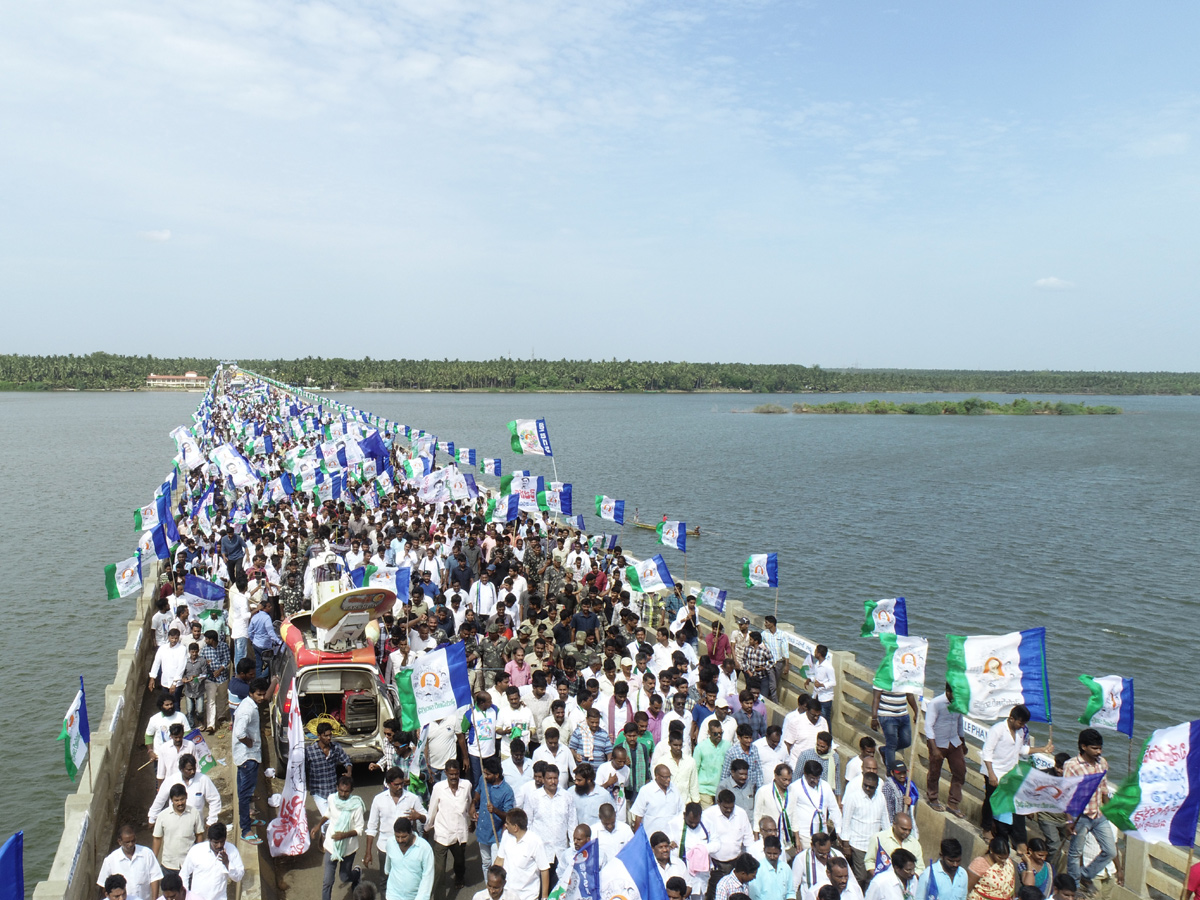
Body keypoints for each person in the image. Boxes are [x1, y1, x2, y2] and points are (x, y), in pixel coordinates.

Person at [981, 705, 1053, 846]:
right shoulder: (997, 730)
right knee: (991, 799)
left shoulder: (1020, 732)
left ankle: (1010, 833)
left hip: (1009, 772)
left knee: (1012, 801)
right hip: (994, 770)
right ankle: (986, 828)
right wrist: (991, 774)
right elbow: (987, 752)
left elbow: (1021, 749)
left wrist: (1042, 749)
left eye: (1024, 723)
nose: (1022, 726)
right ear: (1011, 718)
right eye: (1020, 722)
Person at [1063, 729, 1114, 896]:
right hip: (1081, 816)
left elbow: (1104, 790)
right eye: (1095, 748)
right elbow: (1066, 796)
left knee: (1110, 851)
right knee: (1075, 853)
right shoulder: (1072, 766)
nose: (1098, 752)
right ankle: (1074, 887)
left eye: (1100, 748)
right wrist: (1069, 821)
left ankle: (1086, 875)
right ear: (1083, 747)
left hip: (1098, 815)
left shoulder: (1102, 763)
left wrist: (1112, 811)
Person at [364, 767, 428, 874]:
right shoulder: (378, 800)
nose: (400, 787)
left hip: (407, 848)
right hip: (385, 848)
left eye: (402, 784)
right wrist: (368, 852)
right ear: (388, 784)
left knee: (407, 878)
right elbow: (371, 828)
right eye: (396, 784)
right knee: (385, 879)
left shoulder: (412, 798)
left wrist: (418, 816)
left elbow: (427, 818)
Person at [312, 775, 365, 900]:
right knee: (327, 881)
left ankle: (356, 874)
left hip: (348, 849)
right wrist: (318, 825)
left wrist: (344, 835)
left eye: (346, 791)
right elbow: (328, 814)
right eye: (340, 790)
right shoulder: (331, 799)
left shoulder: (356, 806)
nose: (343, 794)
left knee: (344, 877)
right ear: (337, 788)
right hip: (331, 847)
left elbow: (359, 829)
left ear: (351, 791)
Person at [427, 760, 473, 900]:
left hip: (460, 833)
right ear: (445, 773)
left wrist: (472, 820)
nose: (454, 777)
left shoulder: (466, 786)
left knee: (459, 862)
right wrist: (427, 828)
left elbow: (469, 804)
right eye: (451, 774)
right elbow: (432, 810)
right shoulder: (438, 788)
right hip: (442, 834)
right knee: (440, 870)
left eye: (456, 774)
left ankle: (459, 877)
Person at [232, 678, 268, 844]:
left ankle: (248, 820)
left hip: (246, 756)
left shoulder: (249, 705)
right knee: (245, 794)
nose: (261, 698)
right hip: (248, 757)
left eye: (263, 694)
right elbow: (240, 733)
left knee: (244, 793)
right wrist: (250, 744)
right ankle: (245, 830)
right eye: (258, 695)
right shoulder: (248, 710)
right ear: (251, 693)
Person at [840, 772, 889, 886]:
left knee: (871, 878)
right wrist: (846, 845)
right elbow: (846, 822)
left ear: (876, 786)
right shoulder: (853, 797)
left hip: (874, 845)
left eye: (871, 787)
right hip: (858, 845)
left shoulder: (881, 797)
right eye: (865, 785)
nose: (867, 788)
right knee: (860, 877)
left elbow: (885, 820)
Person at [924, 683, 967, 816]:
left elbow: (960, 723)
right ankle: (933, 798)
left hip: (954, 741)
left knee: (960, 771)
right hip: (938, 742)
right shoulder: (935, 703)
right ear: (948, 691)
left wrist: (963, 742)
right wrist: (934, 748)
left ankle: (953, 802)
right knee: (934, 771)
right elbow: (928, 726)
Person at [703, 792, 754, 898]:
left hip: (735, 864)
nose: (729, 810)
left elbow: (748, 839)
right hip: (716, 866)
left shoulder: (741, 813)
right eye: (725, 807)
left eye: (731, 807)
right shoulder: (708, 815)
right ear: (718, 803)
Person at [148, 754, 222, 827]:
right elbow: (160, 800)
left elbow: (215, 799)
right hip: (175, 825)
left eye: (194, 769)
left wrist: (211, 821)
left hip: (196, 826)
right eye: (189, 770)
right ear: (181, 769)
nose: (192, 772)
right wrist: (152, 818)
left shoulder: (203, 780)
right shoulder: (171, 780)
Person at [787, 760, 843, 851]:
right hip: (804, 834)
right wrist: (796, 837)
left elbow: (834, 809)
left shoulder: (825, 786)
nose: (816, 781)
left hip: (822, 833)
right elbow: (791, 813)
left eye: (818, 778)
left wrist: (838, 830)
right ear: (805, 774)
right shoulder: (794, 787)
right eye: (812, 778)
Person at [496, 809, 551, 900]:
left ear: (515, 827)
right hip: (506, 894)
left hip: (528, 896)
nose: (505, 825)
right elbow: (500, 859)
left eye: (507, 823)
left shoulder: (535, 842)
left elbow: (544, 870)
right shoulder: (506, 835)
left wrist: (544, 897)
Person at [179, 823, 244, 900]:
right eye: (216, 842)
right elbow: (184, 874)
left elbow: (238, 877)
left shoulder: (232, 850)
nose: (219, 845)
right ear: (209, 839)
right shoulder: (196, 850)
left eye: (222, 842)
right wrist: (187, 896)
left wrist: (227, 863)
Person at [151, 784, 205, 878]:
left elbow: (199, 834)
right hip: (169, 865)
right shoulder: (163, 816)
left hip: (189, 864)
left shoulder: (194, 813)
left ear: (186, 797)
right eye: (176, 800)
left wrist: (198, 857)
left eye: (182, 799)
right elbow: (157, 838)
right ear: (171, 800)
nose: (180, 803)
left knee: (188, 892)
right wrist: (153, 861)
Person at [98, 826, 163, 900]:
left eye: (133, 841)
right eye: (127, 842)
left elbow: (155, 878)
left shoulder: (147, 853)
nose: (131, 844)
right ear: (120, 842)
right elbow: (103, 885)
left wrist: (154, 898)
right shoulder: (110, 860)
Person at [527, 763, 578, 858]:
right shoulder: (534, 797)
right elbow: (528, 823)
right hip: (540, 851)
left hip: (561, 851)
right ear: (543, 779)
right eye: (549, 778)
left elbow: (572, 824)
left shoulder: (567, 797)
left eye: (555, 778)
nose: (553, 782)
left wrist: (573, 848)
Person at [475, 757, 515, 874]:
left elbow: (508, 816)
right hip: (482, 832)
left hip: (496, 835)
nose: (485, 776)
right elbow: (478, 791)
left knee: (495, 865)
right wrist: (473, 803)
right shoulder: (483, 779)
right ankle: (489, 888)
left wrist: (495, 810)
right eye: (484, 773)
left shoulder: (507, 791)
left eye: (488, 774)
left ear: (496, 775)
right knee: (486, 863)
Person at [307, 721, 354, 817]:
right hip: (318, 792)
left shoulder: (336, 748)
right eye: (326, 736)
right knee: (327, 819)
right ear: (319, 736)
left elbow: (347, 761)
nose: (329, 738)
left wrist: (349, 772)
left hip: (333, 791)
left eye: (330, 735)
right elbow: (303, 770)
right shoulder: (309, 752)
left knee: (337, 818)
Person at [383, 818, 434, 900]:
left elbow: (427, 876)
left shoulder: (424, 848)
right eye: (397, 836)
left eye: (404, 837)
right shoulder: (390, 843)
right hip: (393, 895)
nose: (400, 840)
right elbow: (388, 866)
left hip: (415, 897)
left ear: (411, 832)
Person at [870, 686, 917, 774]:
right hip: (887, 715)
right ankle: (890, 773)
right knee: (891, 744)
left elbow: (909, 695)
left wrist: (916, 711)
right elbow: (876, 698)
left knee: (907, 741)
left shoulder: (905, 675)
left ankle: (884, 750)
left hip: (903, 714)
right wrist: (874, 717)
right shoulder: (882, 676)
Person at [633, 764, 684, 838]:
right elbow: (638, 817)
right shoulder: (646, 790)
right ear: (657, 776)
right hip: (651, 838)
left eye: (669, 776)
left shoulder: (674, 789)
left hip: (671, 838)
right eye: (665, 777)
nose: (669, 779)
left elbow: (681, 811)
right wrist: (637, 839)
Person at [866, 813, 924, 877]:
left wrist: (910, 880)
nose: (907, 832)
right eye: (904, 829)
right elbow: (869, 861)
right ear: (894, 824)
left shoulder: (914, 843)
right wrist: (879, 879)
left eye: (909, 830)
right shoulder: (879, 838)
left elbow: (920, 868)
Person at [805, 646, 837, 723]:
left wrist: (821, 685)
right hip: (816, 696)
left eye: (816, 651)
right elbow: (816, 677)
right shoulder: (817, 664)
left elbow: (833, 682)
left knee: (825, 720)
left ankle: (828, 734)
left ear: (819, 654)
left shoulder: (828, 667)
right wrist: (809, 680)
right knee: (815, 718)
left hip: (825, 697)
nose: (814, 653)